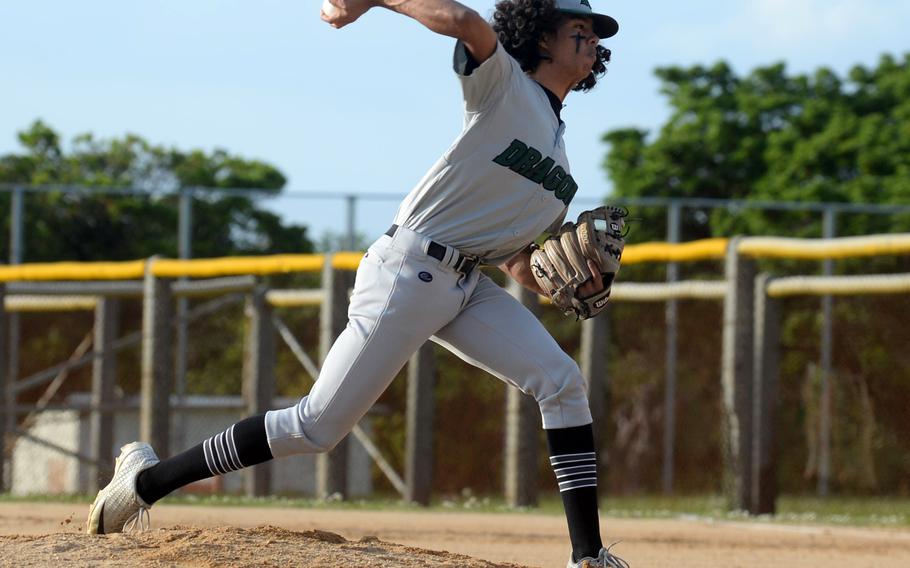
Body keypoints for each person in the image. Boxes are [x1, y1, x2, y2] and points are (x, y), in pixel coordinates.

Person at [86, 1, 627, 566]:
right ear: (540, 37)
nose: (591, 40)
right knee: (315, 428)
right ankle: (148, 481)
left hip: (467, 286)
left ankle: (587, 556)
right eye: (578, 29)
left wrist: (570, 286)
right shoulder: (503, 87)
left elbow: (518, 263)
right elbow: (467, 25)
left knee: (562, 382)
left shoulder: (561, 166)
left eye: (594, 34)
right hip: (409, 270)